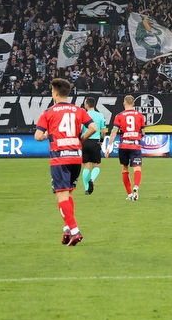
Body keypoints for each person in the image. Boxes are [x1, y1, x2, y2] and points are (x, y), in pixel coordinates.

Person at [34, 78, 97, 245]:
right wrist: (80, 140)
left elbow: (38, 136)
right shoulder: (78, 110)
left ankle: (75, 230)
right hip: (76, 156)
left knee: (61, 195)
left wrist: (49, 135)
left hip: (60, 157)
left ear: (55, 93)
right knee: (67, 193)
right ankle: (67, 229)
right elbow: (93, 128)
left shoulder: (48, 112)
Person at [107, 95, 145, 201]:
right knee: (137, 168)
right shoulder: (140, 115)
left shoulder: (119, 116)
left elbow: (114, 131)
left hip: (124, 146)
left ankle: (129, 194)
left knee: (124, 169)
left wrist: (109, 146)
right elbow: (143, 132)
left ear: (124, 103)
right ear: (133, 104)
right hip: (135, 145)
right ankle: (136, 186)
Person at [81, 96, 106, 195]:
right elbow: (103, 131)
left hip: (85, 141)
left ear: (87, 104)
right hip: (95, 142)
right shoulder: (100, 115)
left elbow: (80, 130)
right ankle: (92, 179)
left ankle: (87, 189)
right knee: (97, 165)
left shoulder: (84, 115)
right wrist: (101, 140)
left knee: (86, 166)